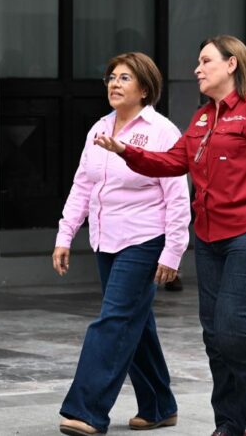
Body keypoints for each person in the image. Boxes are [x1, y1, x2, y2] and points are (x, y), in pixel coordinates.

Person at [95, 35, 246, 436]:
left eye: (206, 61)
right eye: (198, 62)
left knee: (237, 330)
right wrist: (125, 151)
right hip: (210, 238)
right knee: (214, 336)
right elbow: (173, 162)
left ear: (231, 64)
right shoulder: (203, 118)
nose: (197, 69)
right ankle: (229, 423)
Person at [54, 52, 190, 436]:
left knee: (113, 321)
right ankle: (159, 406)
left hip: (144, 239)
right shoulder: (99, 127)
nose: (114, 83)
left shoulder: (163, 132)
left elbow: (178, 197)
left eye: (125, 78)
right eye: (111, 77)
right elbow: (83, 185)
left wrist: (173, 251)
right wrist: (65, 234)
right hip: (105, 239)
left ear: (144, 89)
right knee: (135, 322)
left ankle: (86, 410)